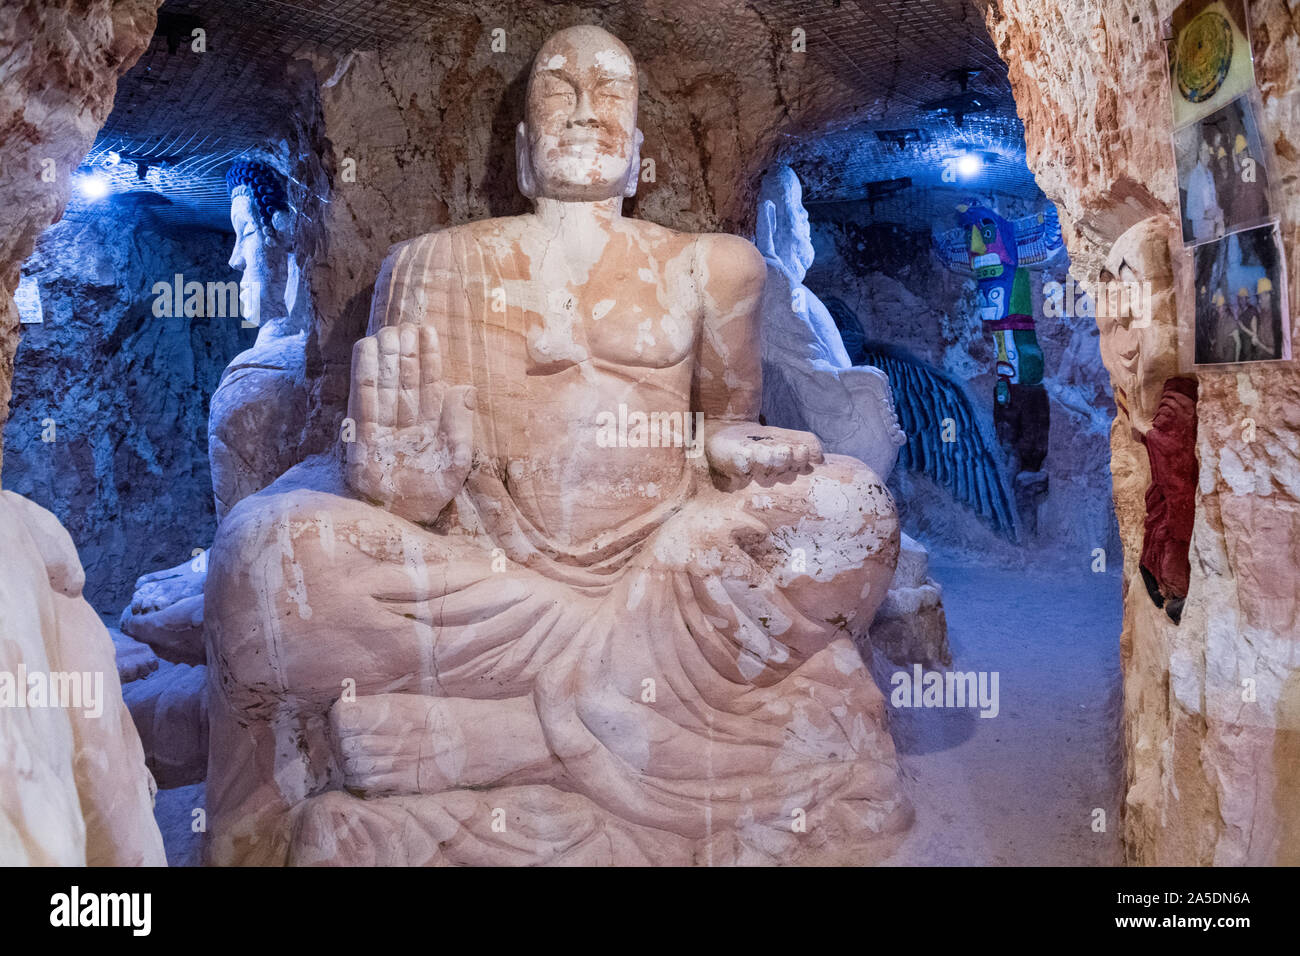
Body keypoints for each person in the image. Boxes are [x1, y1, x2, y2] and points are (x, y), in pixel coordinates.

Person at [202, 24, 908, 867]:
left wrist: (738, 449)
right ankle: (625, 719)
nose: (584, 111)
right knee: (259, 555)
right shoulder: (433, 265)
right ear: (527, 150)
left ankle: (524, 734)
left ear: (640, 152)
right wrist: (402, 488)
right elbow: (397, 473)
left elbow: (721, 425)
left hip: (664, 582)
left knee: (854, 507)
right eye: (558, 92)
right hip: (498, 591)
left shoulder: (713, 267)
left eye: (608, 92)